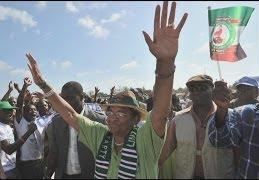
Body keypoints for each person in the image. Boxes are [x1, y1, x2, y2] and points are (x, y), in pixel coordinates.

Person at [26, 1, 188, 178]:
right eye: (110, 113)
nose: (112, 118)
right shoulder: (101, 135)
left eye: (121, 114)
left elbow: (160, 113)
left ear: (135, 119)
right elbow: (70, 115)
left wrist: (165, 62)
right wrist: (43, 84)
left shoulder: (145, 139)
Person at [158, 75, 236, 179]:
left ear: (212, 90)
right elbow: (165, 152)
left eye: (202, 88)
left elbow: (239, 154)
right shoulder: (178, 119)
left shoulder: (230, 116)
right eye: (192, 89)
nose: (197, 92)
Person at [44, 81, 107, 179]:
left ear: (82, 97)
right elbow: (54, 152)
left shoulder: (99, 120)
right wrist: (47, 175)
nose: (65, 103)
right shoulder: (57, 122)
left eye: (69, 99)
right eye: (63, 99)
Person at [208, 81, 259, 179]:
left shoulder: (257, 109)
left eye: (247, 89)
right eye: (240, 89)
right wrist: (221, 110)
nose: (243, 92)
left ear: (256, 92)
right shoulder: (237, 109)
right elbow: (220, 139)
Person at [13, 77, 46, 179]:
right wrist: (24, 86)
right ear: (24, 113)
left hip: (40, 162)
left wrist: (43, 97)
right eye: (30, 110)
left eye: (35, 110)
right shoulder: (20, 122)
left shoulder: (40, 122)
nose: (34, 112)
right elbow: (19, 104)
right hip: (26, 164)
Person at [0, 101, 37, 178]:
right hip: (4, 170)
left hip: (12, 167)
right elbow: (9, 149)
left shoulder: (7, 126)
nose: (10, 112)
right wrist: (29, 132)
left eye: (11, 110)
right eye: (6, 111)